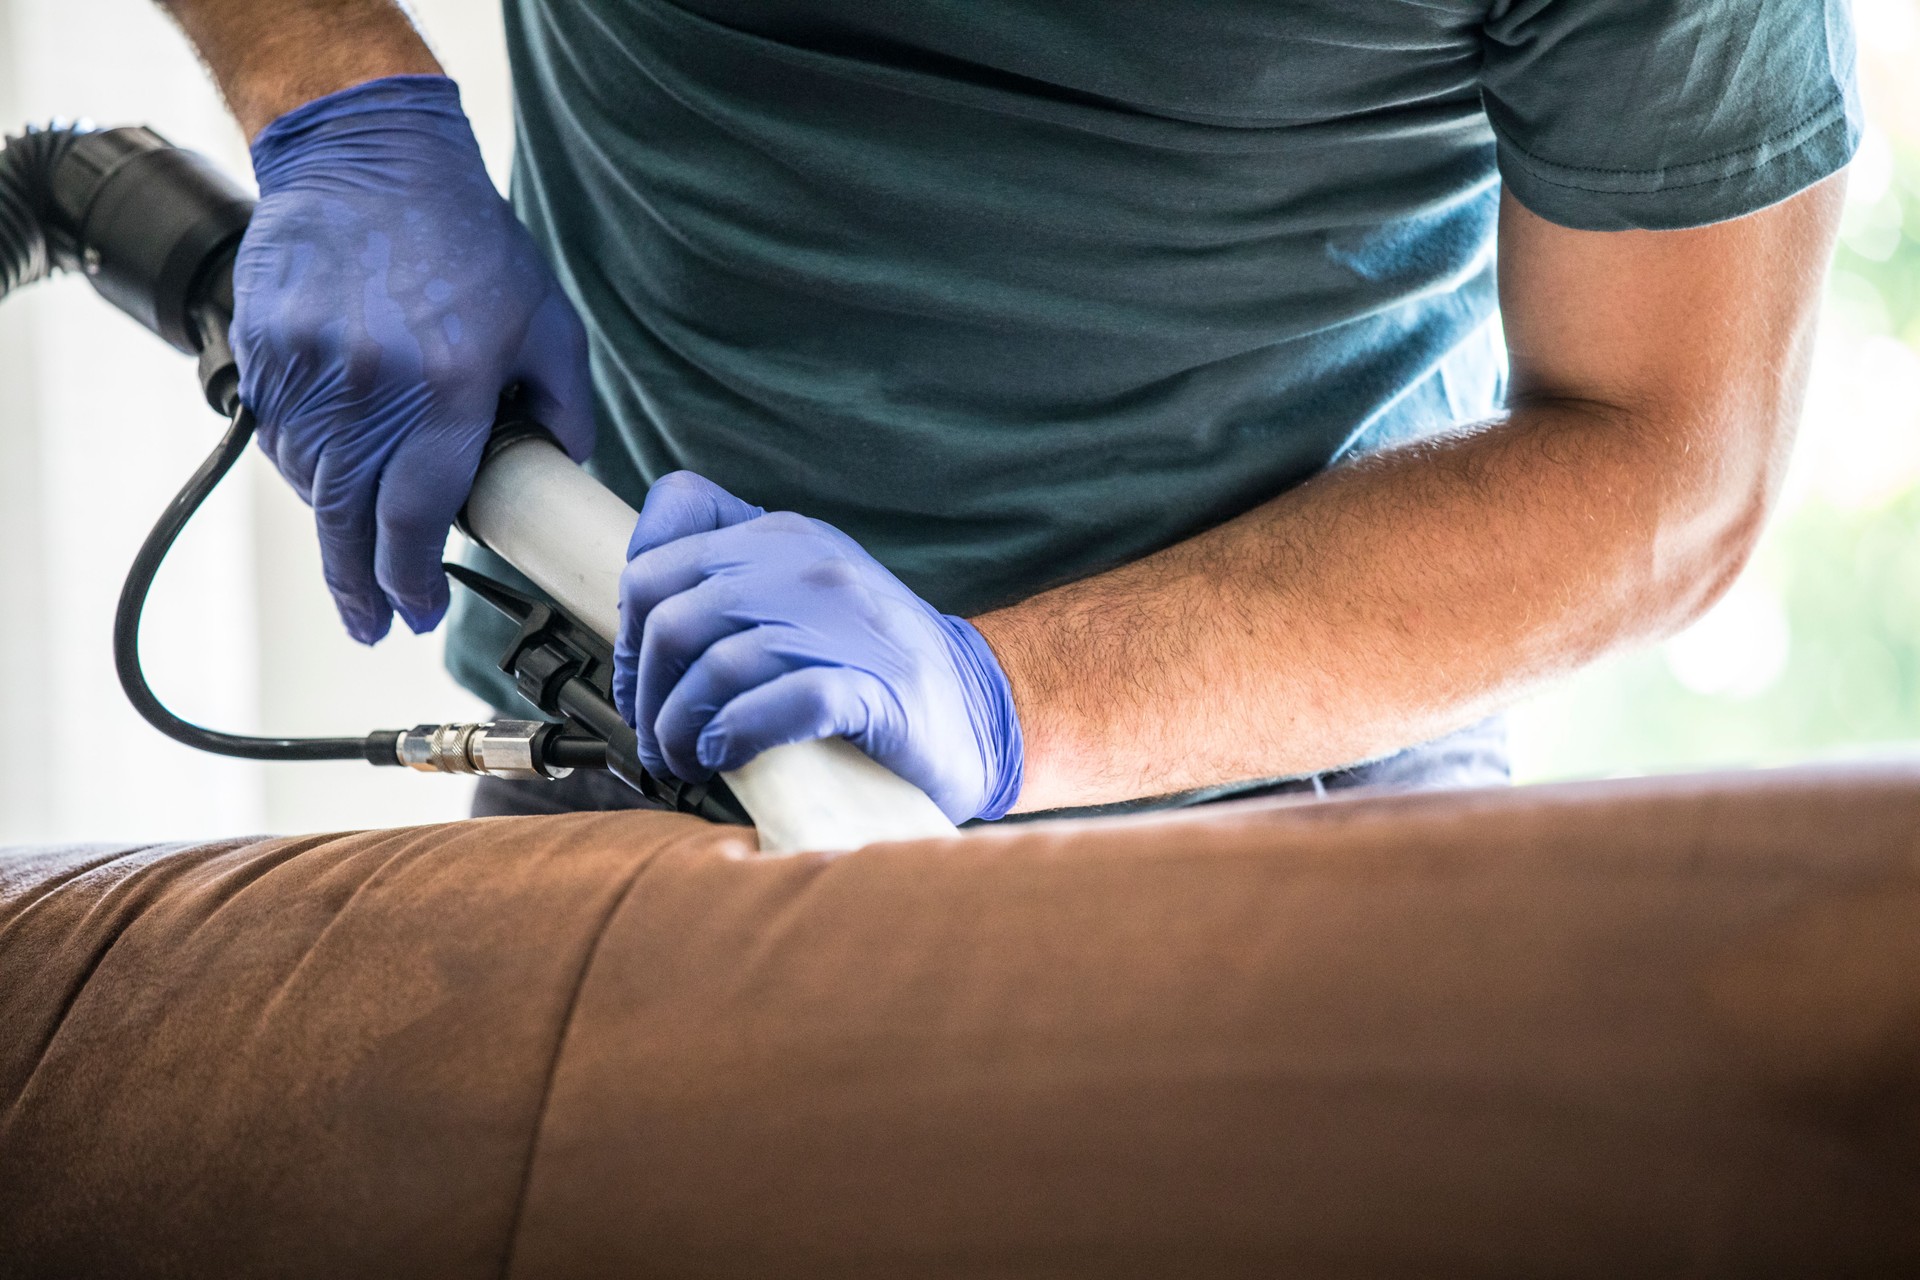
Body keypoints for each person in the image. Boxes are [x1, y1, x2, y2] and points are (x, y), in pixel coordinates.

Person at [157, 0, 1857, 824]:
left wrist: (1010, 696)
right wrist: (331, 87)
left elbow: (1668, 456)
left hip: (1287, 813)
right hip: (628, 750)